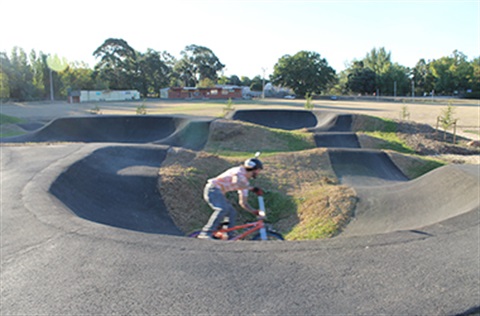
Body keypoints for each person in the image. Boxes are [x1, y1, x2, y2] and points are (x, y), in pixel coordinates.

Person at [198, 155, 264, 240]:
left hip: (219, 193)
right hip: (213, 189)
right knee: (223, 209)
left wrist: (253, 211)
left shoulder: (245, 183)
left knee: (232, 212)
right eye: (258, 170)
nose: (258, 172)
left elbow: (243, 203)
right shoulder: (239, 171)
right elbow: (236, 182)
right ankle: (206, 232)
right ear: (253, 169)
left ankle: (228, 236)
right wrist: (252, 189)